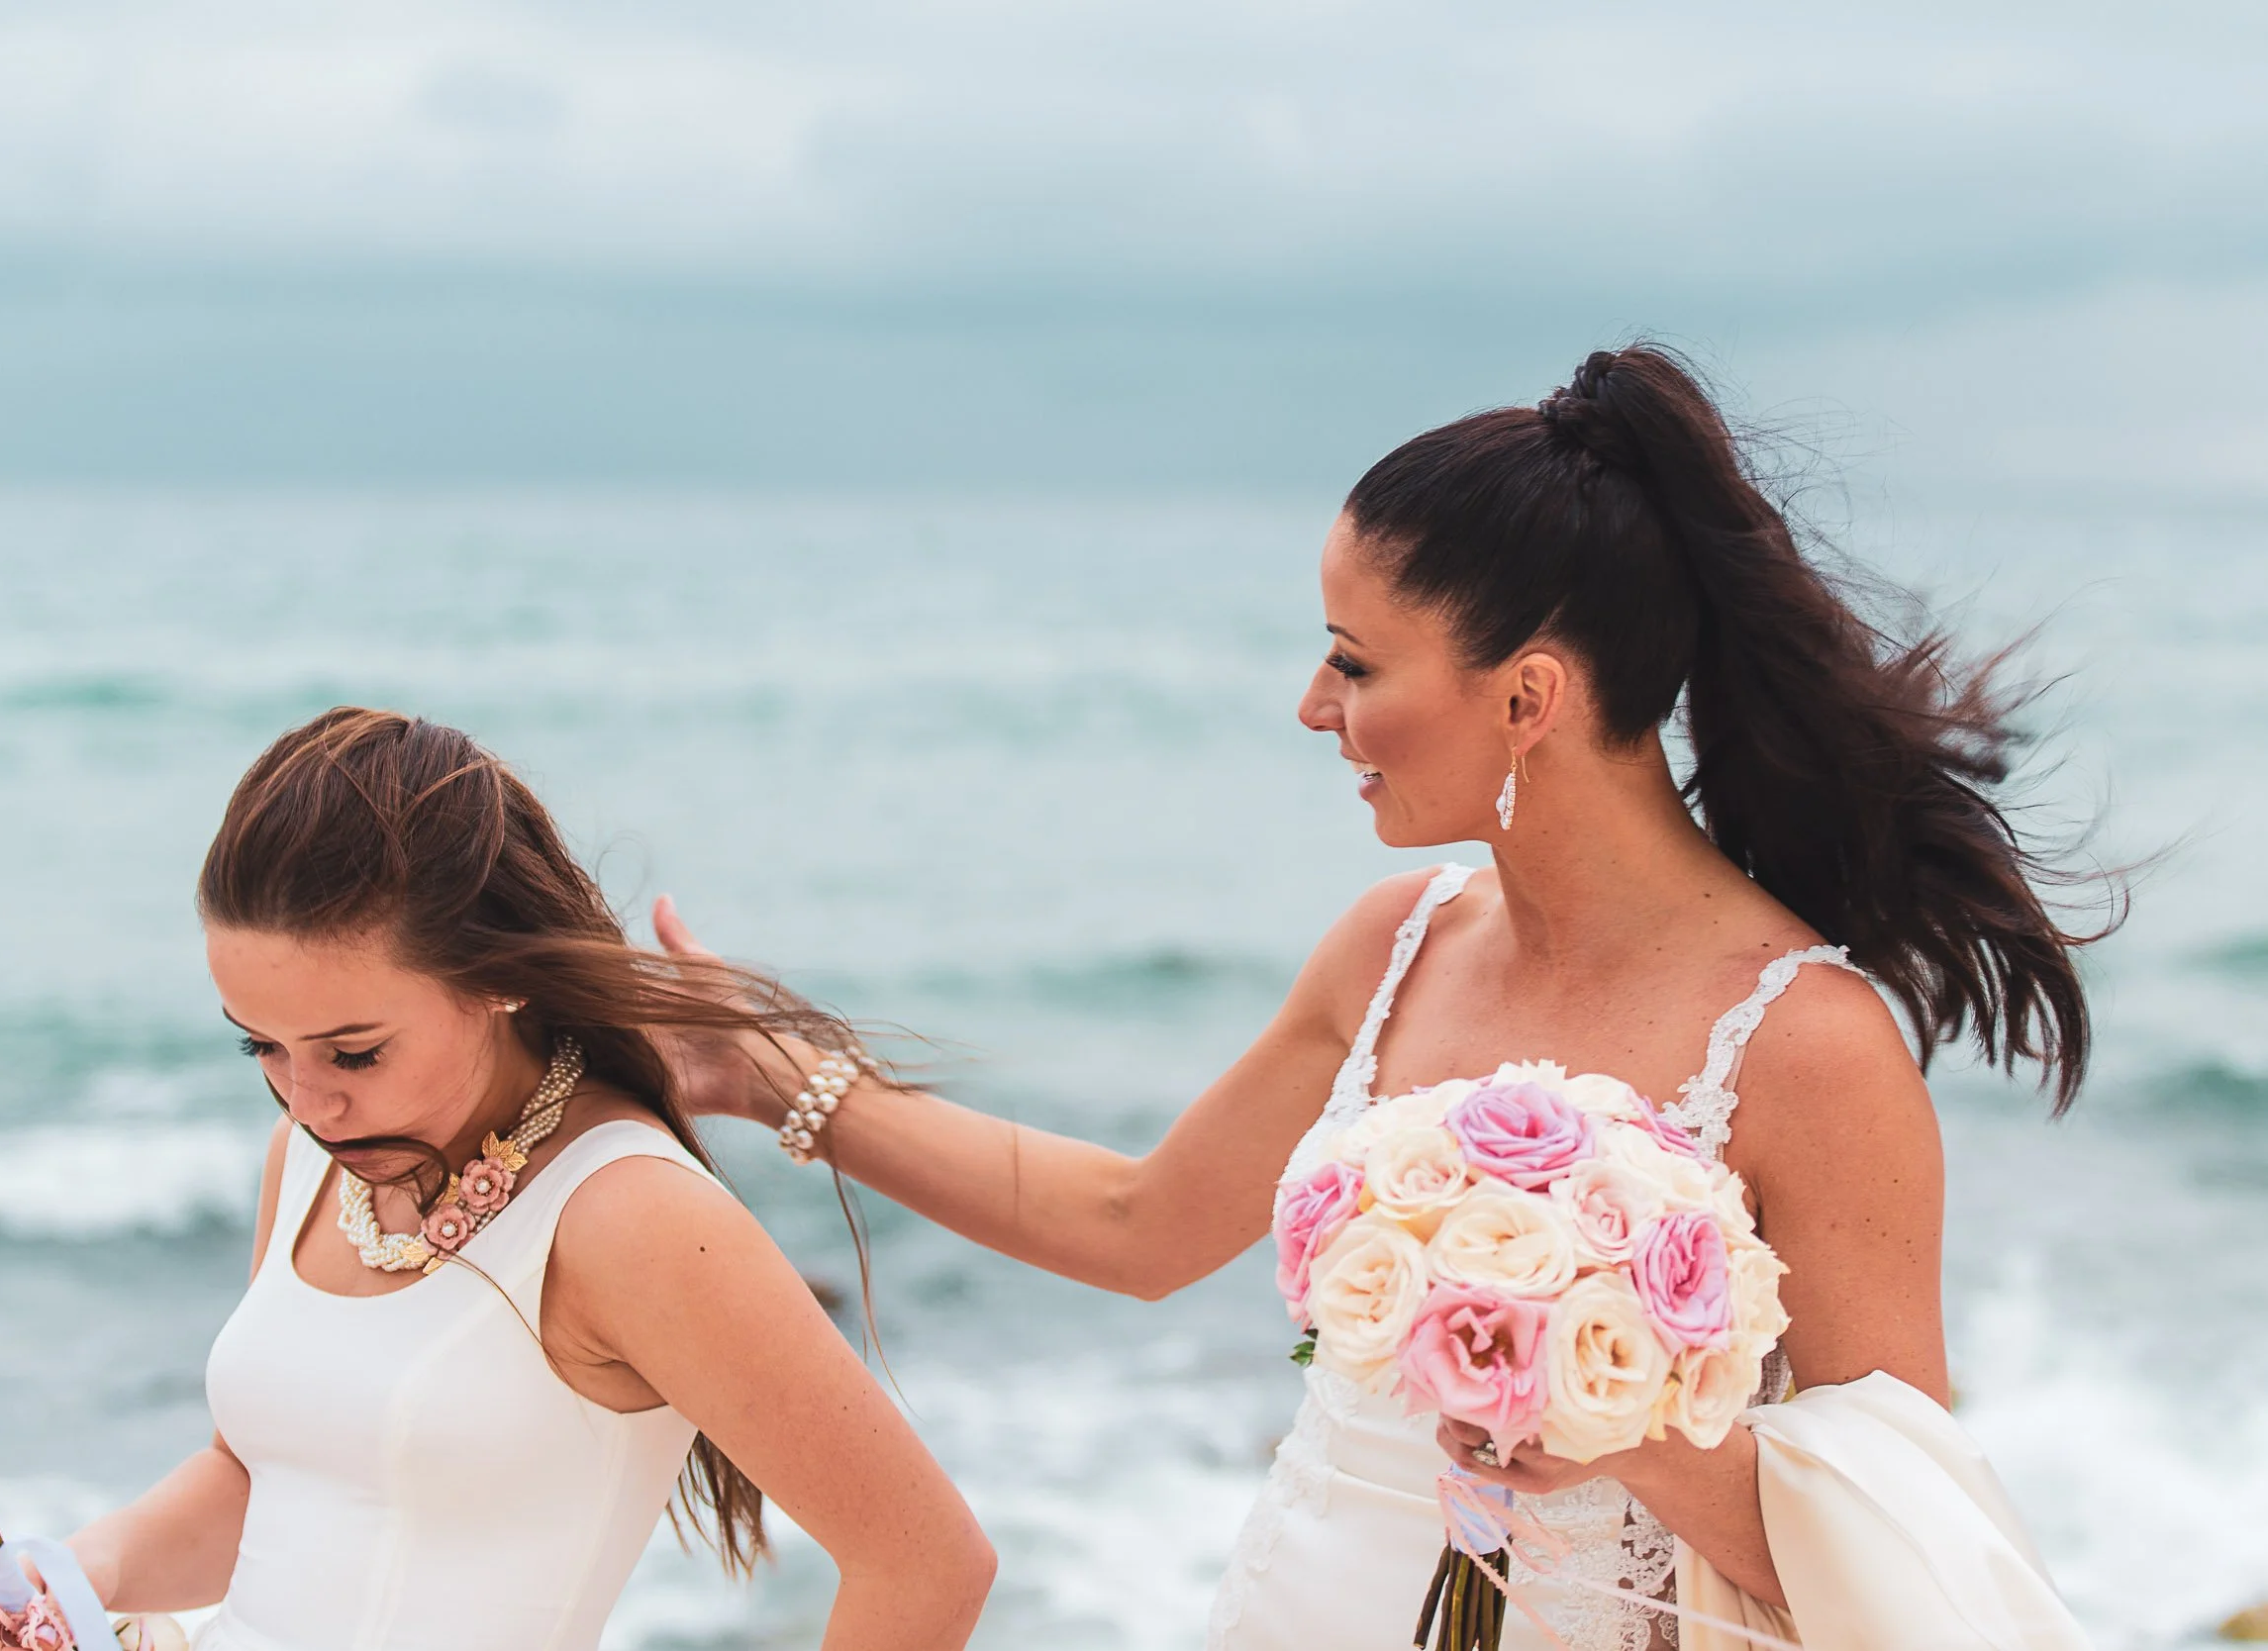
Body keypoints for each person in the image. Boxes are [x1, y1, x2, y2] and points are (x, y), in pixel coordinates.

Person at [654, 345, 2104, 1647]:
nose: (1312, 704)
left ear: (1528, 700)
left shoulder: (1809, 1048)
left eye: (1355, 662)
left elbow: (1915, 1558)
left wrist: (1619, 1428)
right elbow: (1137, 1224)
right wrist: (766, 1071)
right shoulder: (1392, 944)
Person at [0, 709, 995, 1651]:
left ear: (494, 977)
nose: (305, 1104)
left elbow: (926, 1564)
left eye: (353, 1054)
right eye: (259, 1047)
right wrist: (93, 1568)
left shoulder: (629, 1213)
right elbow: (269, 1481)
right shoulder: (317, 1164)